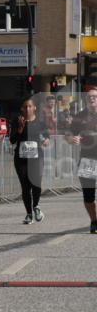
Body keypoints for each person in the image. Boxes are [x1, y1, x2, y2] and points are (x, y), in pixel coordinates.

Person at [9, 97, 50, 225]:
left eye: (30, 106)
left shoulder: (40, 122)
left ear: (34, 108)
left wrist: (46, 140)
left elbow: (46, 135)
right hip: (21, 159)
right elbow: (12, 140)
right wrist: (20, 129)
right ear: (22, 108)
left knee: (36, 184)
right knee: (25, 187)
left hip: (37, 158)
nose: (27, 109)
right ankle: (28, 214)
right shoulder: (17, 121)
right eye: (25, 107)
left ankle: (36, 206)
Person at [66, 88, 97, 234]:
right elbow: (69, 134)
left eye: (95, 97)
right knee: (88, 194)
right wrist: (71, 139)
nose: (92, 99)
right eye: (89, 97)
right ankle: (94, 221)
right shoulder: (80, 116)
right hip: (87, 159)